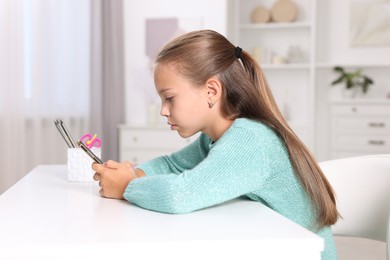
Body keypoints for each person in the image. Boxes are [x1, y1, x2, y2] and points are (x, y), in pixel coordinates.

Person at [92, 29, 339, 259]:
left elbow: (181, 195)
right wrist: (134, 173)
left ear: (211, 91)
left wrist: (127, 185)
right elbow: (173, 165)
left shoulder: (249, 140)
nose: (164, 111)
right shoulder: (215, 137)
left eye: (169, 98)